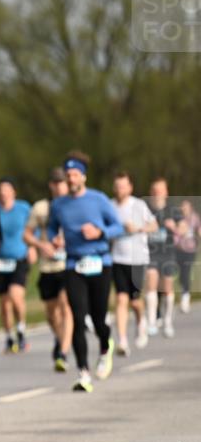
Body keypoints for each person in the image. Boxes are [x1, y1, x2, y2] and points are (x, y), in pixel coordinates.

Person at [47, 151, 123, 392]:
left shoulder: (99, 199)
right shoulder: (58, 205)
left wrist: (100, 232)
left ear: (83, 177)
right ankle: (83, 373)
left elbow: (118, 227)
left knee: (99, 318)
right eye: (67, 175)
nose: (70, 179)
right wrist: (55, 240)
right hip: (74, 265)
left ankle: (105, 346)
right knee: (78, 319)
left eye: (75, 175)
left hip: (100, 262)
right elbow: (51, 229)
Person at [24, 168, 73, 372]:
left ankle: (63, 352)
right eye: (56, 182)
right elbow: (26, 234)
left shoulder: (75, 205)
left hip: (68, 264)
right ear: (51, 185)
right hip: (47, 266)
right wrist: (38, 245)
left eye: (63, 182)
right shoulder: (41, 208)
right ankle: (59, 338)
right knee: (51, 313)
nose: (60, 186)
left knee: (65, 306)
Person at [110, 172, 157, 355]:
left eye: (123, 186)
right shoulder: (110, 205)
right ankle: (122, 340)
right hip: (117, 258)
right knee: (121, 299)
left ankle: (141, 321)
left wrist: (138, 228)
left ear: (130, 187)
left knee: (135, 301)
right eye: (117, 186)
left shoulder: (138, 205)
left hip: (137, 259)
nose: (120, 190)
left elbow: (154, 226)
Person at [0, 178, 33, 353]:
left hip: (19, 258)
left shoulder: (23, 208)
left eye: (6, 190)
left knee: (16, 297)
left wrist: (32, 247)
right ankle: (9, 337)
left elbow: (33, 229)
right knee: (4, 303)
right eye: (0, 190)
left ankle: (21, 330)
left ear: (13, 192)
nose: (3, 193)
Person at [144, 178, 181, 338]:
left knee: (167, 287)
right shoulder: (145, 209)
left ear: (166, 192)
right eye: (154, 190)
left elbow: (184, 227)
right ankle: (152, 321)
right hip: (150, 253)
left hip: (168, 253)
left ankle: (167, 322)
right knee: (151, 282)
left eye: (160, 190)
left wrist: (175, 226)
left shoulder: (173, 210)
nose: (157, 193)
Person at [174, 199, 199, 313]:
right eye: (182, 207)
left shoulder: (194, 218)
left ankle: (185, 297)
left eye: (186, 207)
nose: (184, 209)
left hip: (190, 250)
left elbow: (198, 229)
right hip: (177, 250)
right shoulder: (177, 218)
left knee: (186, 272)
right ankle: (183, 293)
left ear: (190, 207)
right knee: (179, 275)